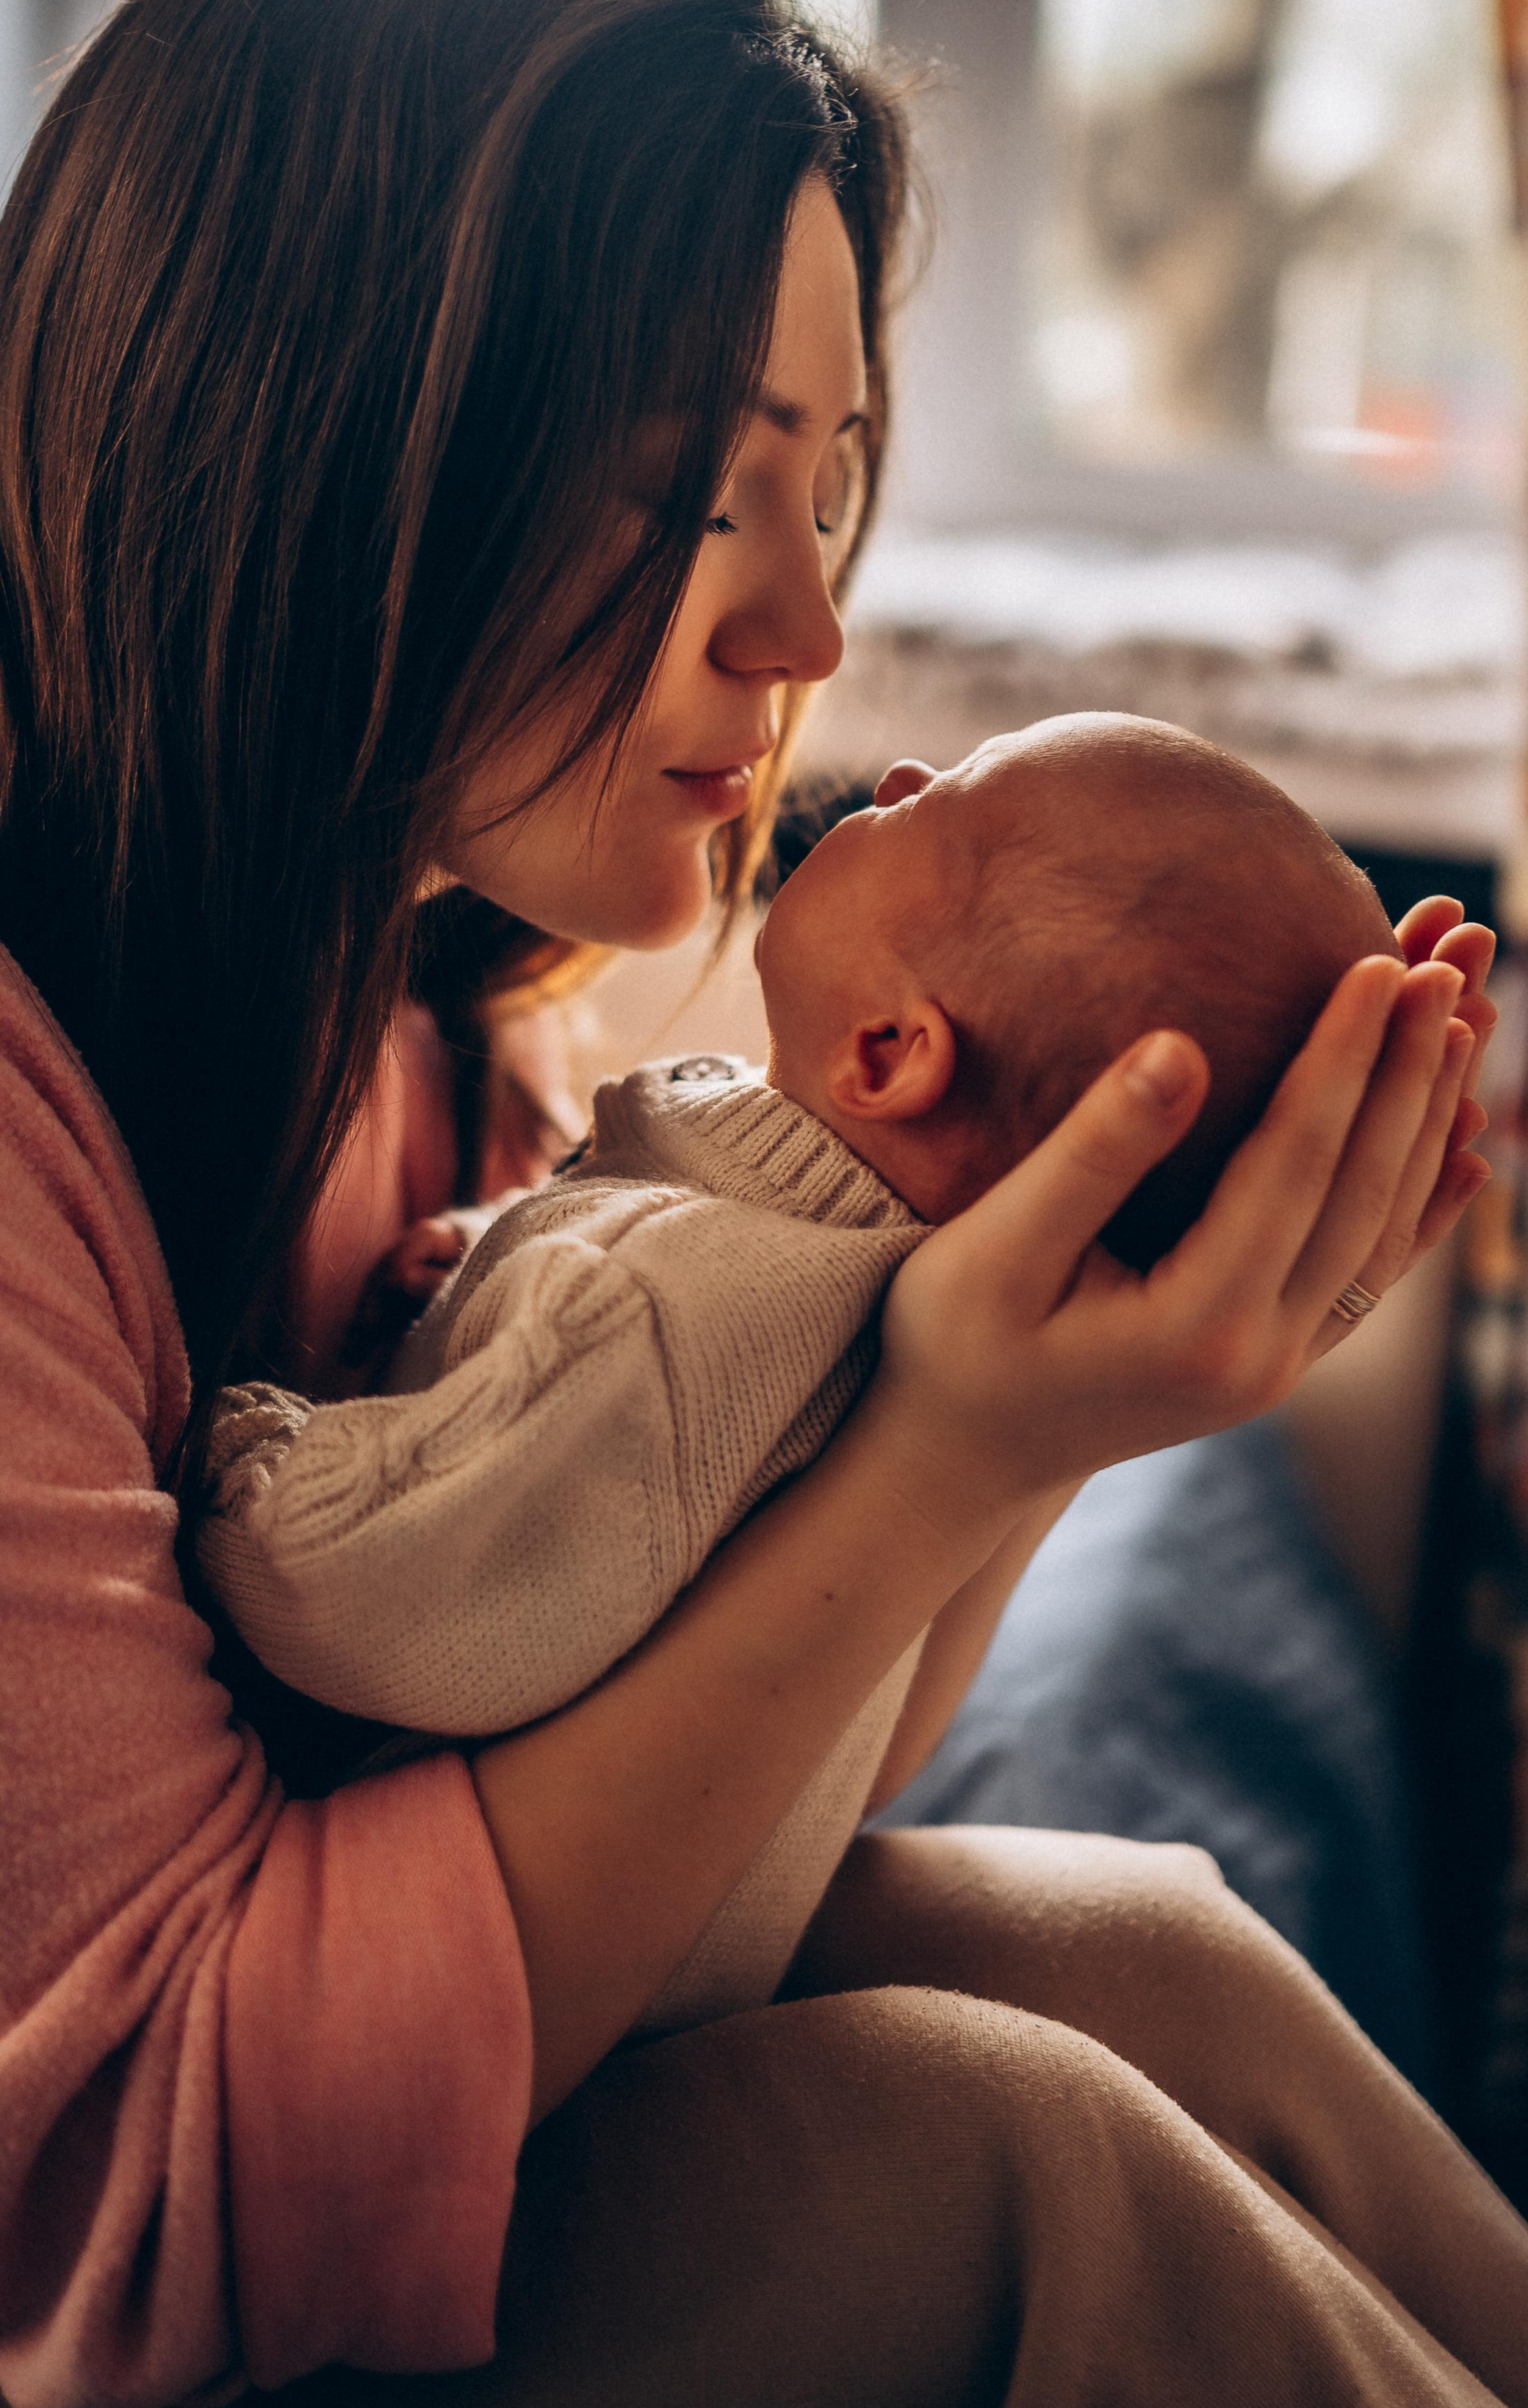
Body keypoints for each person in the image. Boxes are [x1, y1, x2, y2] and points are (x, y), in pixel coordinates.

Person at [0, 0, 1525, 2408]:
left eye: (832, 486)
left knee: (1149, 1954)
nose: (797, 635)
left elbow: (715, 1830)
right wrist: (940, 1457)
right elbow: (150, 2202)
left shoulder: (396, 988)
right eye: (691, 492)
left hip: (74, 2260)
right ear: (298, 445)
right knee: (1024, 2191)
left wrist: (1029, 1400)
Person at [195, 715, 1408, 2046]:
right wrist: (485, 1262)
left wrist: (239, 1435)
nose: (891, 775)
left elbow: (365, 1596)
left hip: (487, 2036)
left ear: (888, 1054)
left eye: (934, 809)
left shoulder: (651, 1300)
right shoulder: (866, 1310)